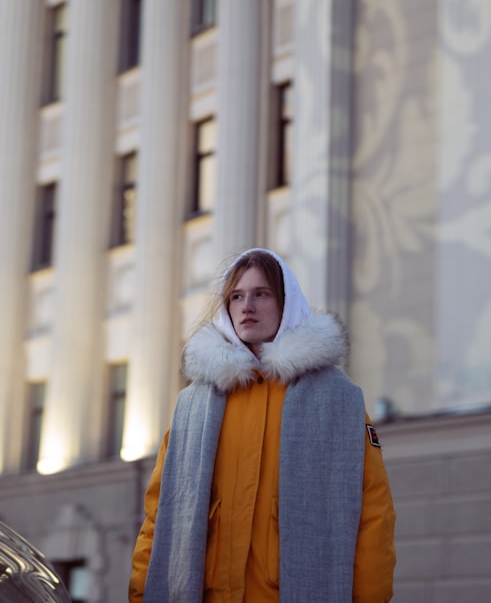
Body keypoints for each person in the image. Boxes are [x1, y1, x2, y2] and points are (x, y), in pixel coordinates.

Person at [129, 248, 396, 602]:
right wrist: (140, 594)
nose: (247, 306)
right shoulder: (193, 405)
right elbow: (159, 514)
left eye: (261, 294)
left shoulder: (337, 399)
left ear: (287, 304)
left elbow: (373, 513)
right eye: (237, 296)